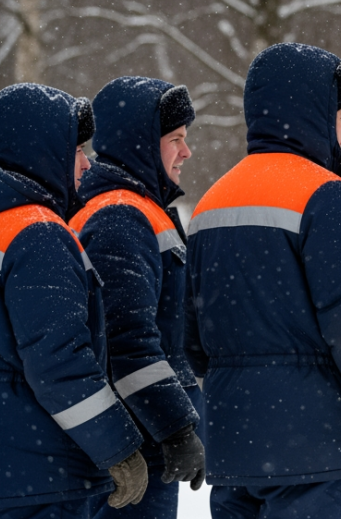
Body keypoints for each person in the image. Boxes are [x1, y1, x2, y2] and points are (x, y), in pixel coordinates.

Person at [186, 43, 341, 519]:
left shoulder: (209, 206)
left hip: (233, 447)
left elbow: (192, 340)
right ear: (312, 114)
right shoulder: (325, 198)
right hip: (315, 450)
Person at [0, 83, 149, 518]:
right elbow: (59, 361)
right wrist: (120, 448)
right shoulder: (38, 234)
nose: (88, 164)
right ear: (44, 149)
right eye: (77, 149)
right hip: (39, 460)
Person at [70, 77, 207, 519]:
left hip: (144, 436)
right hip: (134, 442)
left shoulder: (141, 208)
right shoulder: (119, 217)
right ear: (143, 143)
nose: (186, 152)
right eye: (176, 139)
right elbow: (125, 339)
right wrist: (175, 428)